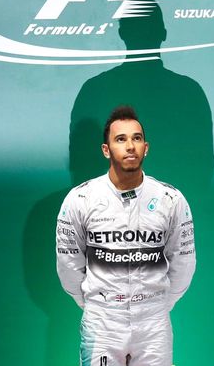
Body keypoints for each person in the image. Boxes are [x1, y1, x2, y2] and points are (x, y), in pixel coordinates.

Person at [57, 105, 196, 366]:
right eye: (121, 139)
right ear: (106, 150)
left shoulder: (170, 199)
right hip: (102, 321)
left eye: (137, 138)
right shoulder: (80, 199)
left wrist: (158, 305)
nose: (130, 146)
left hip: (153, 321)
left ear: (146, 147)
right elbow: (69, 266)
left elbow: (183, 263)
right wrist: (96, 303)